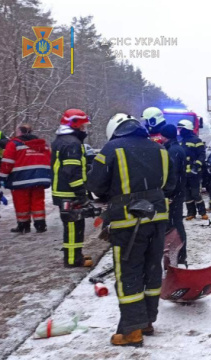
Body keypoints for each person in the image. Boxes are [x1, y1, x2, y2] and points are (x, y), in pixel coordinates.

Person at [87, 113, 175, 347]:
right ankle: (146, 321)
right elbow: (170, 184)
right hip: (157, 218)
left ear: (115, 130)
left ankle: (132, 331)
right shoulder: (160, 149)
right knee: (152, 269)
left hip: (127, 223)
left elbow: (95, 185)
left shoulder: (110, 149)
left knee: (128, 273)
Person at [51, 109, 93, 267]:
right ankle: (72, 259)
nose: (84, 129)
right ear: (75, 124)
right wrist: (82, 194)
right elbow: (72, 172)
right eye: (82, 126)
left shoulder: (63, 140)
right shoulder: (72, 143)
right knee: (73, 226)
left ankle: (76, 255)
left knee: (75, 224)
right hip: (69, 192)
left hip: (63, 191)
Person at [0, 124, 51, 233]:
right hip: (39, 179)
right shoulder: (42, 144)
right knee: (38, 202)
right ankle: (40, 224)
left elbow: (7, 163)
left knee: (21, 203)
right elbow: (48, 160)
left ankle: (23, 226)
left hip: (20, 179)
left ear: (20, 132)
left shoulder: (14, 144)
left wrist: (2, 177)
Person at [160, 124, 188, 266]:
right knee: (175, 223)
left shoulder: (173, 151)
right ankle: (177, 255)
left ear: (165, 136)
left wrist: (168, 194)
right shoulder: (176, 148)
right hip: (177, 193)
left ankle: (179, 255)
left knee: (174, 225)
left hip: (174, 195)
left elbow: (172, 175)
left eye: (161, 136)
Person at [178, 120, 208, 220]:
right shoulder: (181, 141)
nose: (179, 130)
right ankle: (191, 213)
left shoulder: (196, 140)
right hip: (184, 173)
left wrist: (196, 166)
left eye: (181, 128)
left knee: (195, 193)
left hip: (194, 173)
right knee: (187, 194)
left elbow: (202, 155)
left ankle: (202, 212)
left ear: (187, 129)